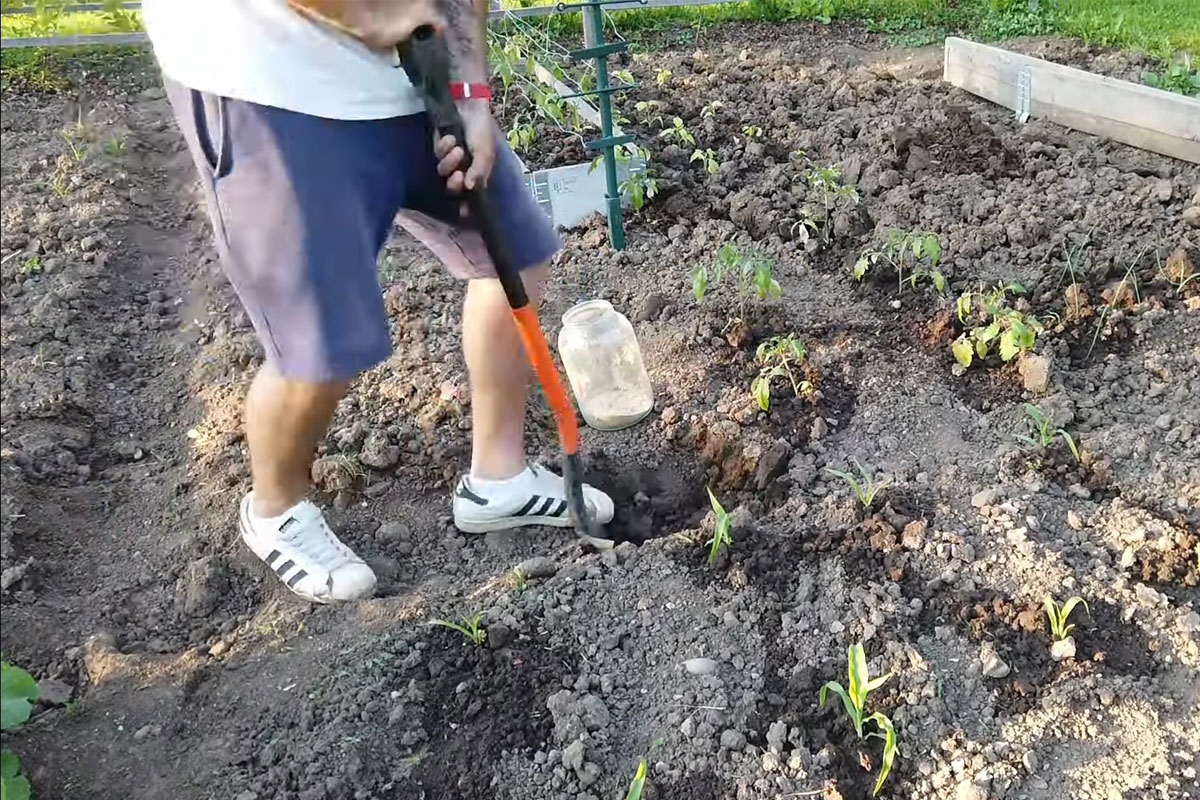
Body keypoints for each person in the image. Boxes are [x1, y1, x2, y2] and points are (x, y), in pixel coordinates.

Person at [142, 0, 614, 603]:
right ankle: (275, 509)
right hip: (272, 87)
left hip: (414, 79)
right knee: (322, 343)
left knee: (515, 255)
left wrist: (470, 93)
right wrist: (366, 12)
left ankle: (498, 477)